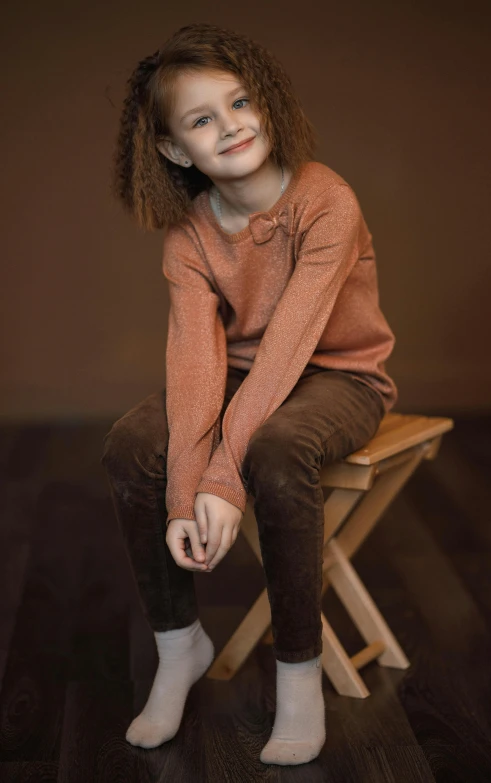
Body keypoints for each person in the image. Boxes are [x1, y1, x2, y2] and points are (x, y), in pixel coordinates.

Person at [101, 21, 398, 766]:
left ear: (264, 104)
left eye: (239, 103)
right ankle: (180, 646)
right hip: (242, 373)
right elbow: (198, 365)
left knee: (275, 447)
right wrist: (181, 498)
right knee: (134, 442)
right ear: (175, 149)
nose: (230, 126)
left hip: (339, 374)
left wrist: (223, 479)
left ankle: (299, 673)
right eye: (202, 119)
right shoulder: (189, 236)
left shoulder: (324, 199)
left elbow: (294, 345)